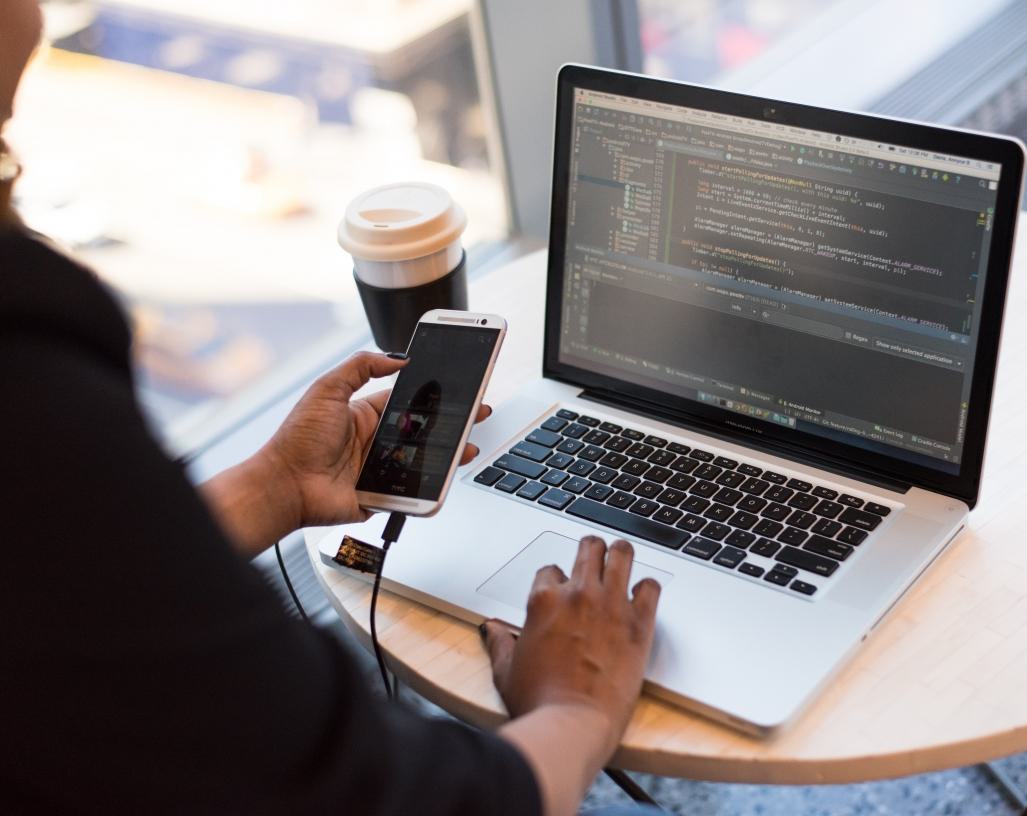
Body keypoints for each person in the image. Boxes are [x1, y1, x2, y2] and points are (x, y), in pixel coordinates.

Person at [0, 4, 662, 814]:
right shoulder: (29, 390)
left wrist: (275, 483)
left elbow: (77, 583)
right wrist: (576, 708)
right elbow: (394, 797)